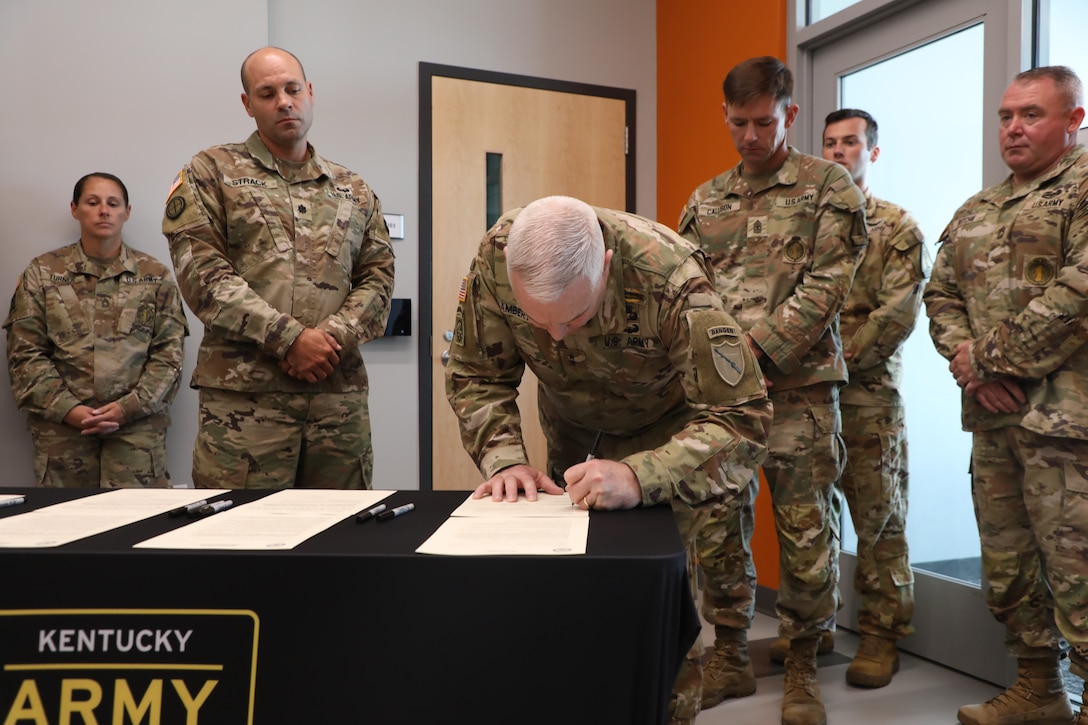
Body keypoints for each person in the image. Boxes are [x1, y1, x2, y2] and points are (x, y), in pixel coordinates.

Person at [445, 195, 772, 725]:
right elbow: (475, 372)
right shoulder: (496, 259)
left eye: (574, 317)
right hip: (574, 434)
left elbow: (742, 419)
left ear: (605, 266)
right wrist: (504, 458)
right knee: (572, 597)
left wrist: (640, 476)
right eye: (538, 321)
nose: (555, 336)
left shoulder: (671, 278)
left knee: (659, 611)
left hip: (671, 441)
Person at [677, 56, 867, 725]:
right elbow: (687, 294)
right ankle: (728, 654)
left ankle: (804, 664)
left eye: (763, 121)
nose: (751, 136)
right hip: (725, 403)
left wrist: (753, 350)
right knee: (718, 527)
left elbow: (828, 285)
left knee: (806, 529)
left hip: (801, 391)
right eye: (738, 123)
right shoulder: (704, 201)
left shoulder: (829, 188)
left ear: (788, 111)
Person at [924, 65, 1088, 725]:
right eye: (1005, 116)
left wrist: (987, 358)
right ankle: (1040, 689)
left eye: (1031, 115)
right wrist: (970, 366)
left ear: (1074, 120)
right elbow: (940, 295)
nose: (1013, 128)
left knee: (1079, 570)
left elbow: (1077, 293)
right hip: (994, 425)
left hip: (1067, 426)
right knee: (1010, 566)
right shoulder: (977, 209)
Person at [162, 47, 395, 489]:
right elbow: (204, 275)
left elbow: (378, 276)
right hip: (246, 406)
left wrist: (330, 340)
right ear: (248, 104)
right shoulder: (211, 171)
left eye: (292, 89)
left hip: (336, 402)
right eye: (267, 93)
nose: (284, 102)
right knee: (237, 542)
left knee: (341, 539)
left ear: (309, 93)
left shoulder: (353, 188)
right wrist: (290, 340)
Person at [803, 108, 930, 688]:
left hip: (868, 397)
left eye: (850, 142)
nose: (838, 152)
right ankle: (816, 623)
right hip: (807, 401)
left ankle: (881, 635)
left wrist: (831, 363)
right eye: (830, 143)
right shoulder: (806, 226)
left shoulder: (897, 227)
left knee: (878, 520)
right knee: (812, 517)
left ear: (871, 152)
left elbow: (896, 316)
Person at [4, 172, 188, 487]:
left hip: (137, 440)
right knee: (65, 529)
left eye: (113, 203)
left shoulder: (155, 276)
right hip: (63, 438)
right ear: (75, 209)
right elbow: (25, 353)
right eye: (93, 202)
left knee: (138, 529)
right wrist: (70, 409)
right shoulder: (43, 273)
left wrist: (127, 408)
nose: (104, 210)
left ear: (127, 212)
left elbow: (169, 357)